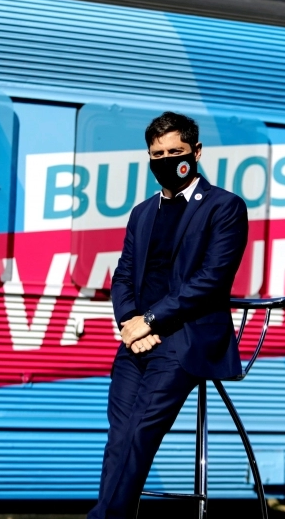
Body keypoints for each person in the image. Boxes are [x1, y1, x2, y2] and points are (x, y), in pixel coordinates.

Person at [88, 112, 249, 518]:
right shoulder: (142, 212)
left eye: (174, 152)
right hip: (138, 336)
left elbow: (211, 279)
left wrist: (152, 320)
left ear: (196, 152)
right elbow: (122, 275)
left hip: (187, 337)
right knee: (119, 434)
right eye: (156, 153)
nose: (165, 159)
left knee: (141, 431)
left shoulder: (225, 206)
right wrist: (130, 322)